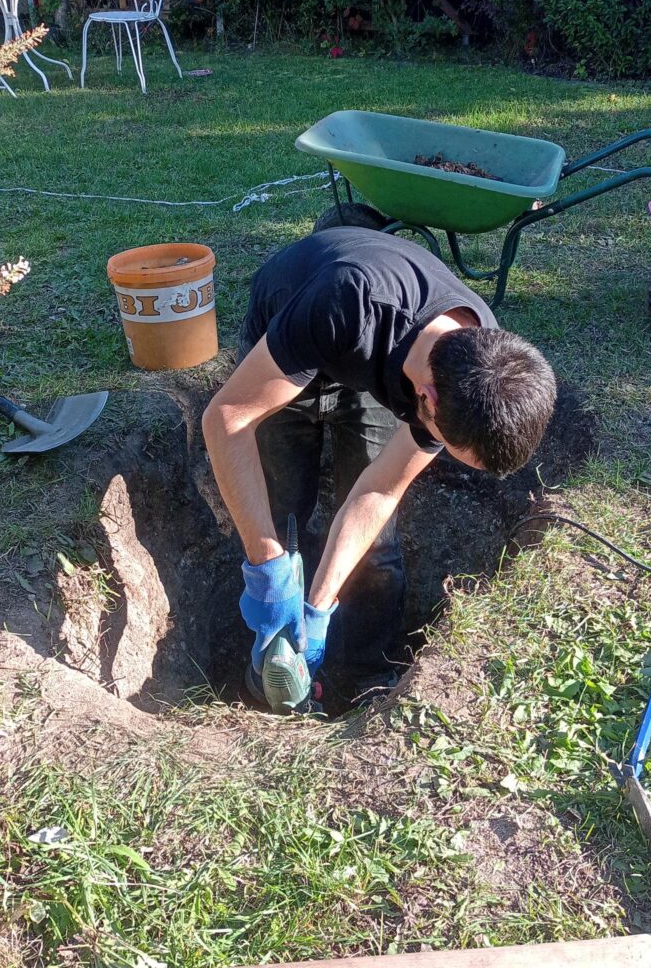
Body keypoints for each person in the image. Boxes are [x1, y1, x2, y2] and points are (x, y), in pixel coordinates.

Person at [201, 227, 557, 708]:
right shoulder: (348, 303)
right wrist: (267, 565)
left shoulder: (478, 373)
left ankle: (362, 674)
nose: (438, 446)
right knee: (280, 511)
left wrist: (319, 606)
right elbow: (226, 418)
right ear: (427, 399)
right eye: (446, 443)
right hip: (296, 329)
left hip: (371, 359)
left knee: (376, 546)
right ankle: (264, 665)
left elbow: (379, 492)